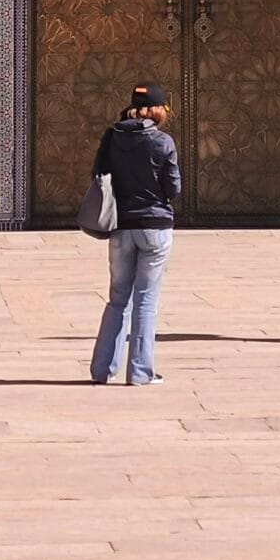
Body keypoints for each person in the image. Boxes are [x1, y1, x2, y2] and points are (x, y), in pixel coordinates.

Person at [90, 84, 182, 383]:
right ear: (156, 109)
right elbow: (174, 188)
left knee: (118, 298)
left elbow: (99, 175)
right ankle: (141, 372)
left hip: (121, 226)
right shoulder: (162, 141)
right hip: (155, 227)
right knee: (145, 299)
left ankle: (103, 369)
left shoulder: (112, 136)